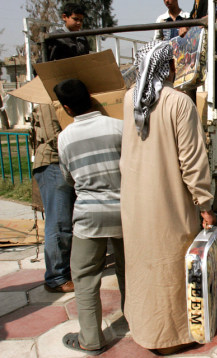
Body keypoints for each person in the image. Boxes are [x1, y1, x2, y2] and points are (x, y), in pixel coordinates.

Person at [120, 41, 216, 355]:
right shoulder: (178, 102)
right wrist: (205, 203)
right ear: (170, 68)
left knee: (142, 266)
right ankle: (171, 336)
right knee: (172, 268)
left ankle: (143, 328)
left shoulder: (128, 99)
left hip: (135, 204)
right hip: (169, 205)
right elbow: (192, 161)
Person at [54, 79, 125, 356]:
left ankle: (92, 340)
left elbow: (68, 179)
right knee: (128, 270)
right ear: (93, 99)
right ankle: (138, 322)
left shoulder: (65, 138)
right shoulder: (119, 128)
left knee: (84, 277)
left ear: (67, 108)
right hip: (125, 212)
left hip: (89, 216)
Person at [33, 2, 91, 293]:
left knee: (69, 221)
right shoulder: (47, 98)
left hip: (62, 162)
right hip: (53, 162)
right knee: (59, 225)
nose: (78, 24)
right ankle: (56, 277)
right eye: (75, 20)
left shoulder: (59, 96)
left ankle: (64, 270)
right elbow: (57, 136)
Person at [189, 0, 217, 111]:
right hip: (204, 55)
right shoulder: (199, 1)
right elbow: (192, 18)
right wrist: (185, 25)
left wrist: (216, 21)